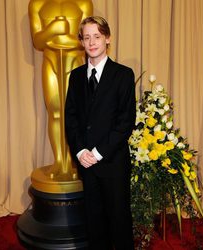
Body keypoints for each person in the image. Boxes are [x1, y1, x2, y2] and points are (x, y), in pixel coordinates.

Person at [65, 16, 136, 250]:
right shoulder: (75, 77)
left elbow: (125, 122)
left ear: (107, 38)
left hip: (113, 162)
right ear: (81, 42)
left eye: (97, 36)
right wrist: (80, 151)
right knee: (94, 224)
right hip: (86, 163)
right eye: (87, 37)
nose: (92, 42)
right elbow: (71, 119)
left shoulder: (123, 74)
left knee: (119, 222)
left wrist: (97, 152)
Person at [28, 0, 93, 181]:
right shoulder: (37, 4)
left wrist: (63, 37)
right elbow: (38, 41)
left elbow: (87, 41)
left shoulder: (83, 4)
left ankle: (74, 161)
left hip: (74, 63)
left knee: (76, 113)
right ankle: (59, 161)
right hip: (50, 61)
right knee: (55, 112)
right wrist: (52, 30)